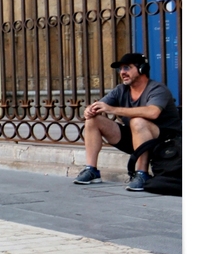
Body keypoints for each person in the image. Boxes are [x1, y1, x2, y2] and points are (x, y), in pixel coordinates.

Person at [73, 52, 181, 192]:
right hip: (136, 138)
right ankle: (91, 170)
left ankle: (141, 174)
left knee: (138, 122)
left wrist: (112, 109)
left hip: (163, 142)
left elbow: (153, 112)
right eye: (120, 69)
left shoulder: (157, 89)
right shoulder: (121, 90)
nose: (122, 72)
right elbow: (100, 105)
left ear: (142, 69)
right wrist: (89, 110)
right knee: (93, 120)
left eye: (127, 68)